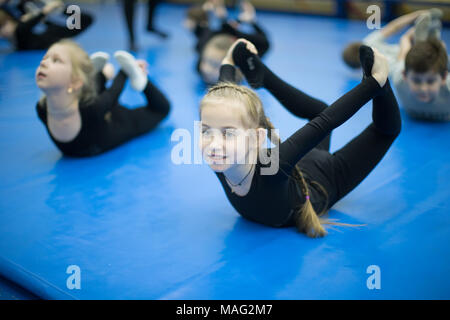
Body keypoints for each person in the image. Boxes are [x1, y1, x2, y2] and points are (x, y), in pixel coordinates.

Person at [199, 39, 401, 237]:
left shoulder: (273, 169)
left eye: (228, 134)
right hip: (298, 168)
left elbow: (325, 122)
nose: (214, 144)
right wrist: (228, 60)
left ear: (256, 138)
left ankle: (383, 88)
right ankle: (264, 77)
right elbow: (221, 104)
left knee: (385, 131)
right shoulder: (220, 159)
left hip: (326, 177)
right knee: (319, 110)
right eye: (206, 131)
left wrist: (374, 84)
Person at [35, 40, 170, 157]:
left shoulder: (91, 109)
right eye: (45, 58)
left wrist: (125, 72)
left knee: (163, 108)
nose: (43, 63)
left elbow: (113, 93)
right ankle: (96, 75)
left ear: (75, 82)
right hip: (97, 115)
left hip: (119, 122)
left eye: (56, 60)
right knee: (91, 97)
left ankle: (135, 77)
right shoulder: (41, 109)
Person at [342, 9, 449, 121]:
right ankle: (425, 40)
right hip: (410, 55)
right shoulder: (368, 42)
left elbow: (401, 61)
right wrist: (417, 15)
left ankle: (425, 41)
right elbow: (393, 27)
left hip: (407, 59)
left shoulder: (369, 71)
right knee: (409, 43)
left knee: (413, 56)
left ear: (356, 67)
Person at [185, 0, 269, 85]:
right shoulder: (209, 43)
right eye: (207, 62)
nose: (207, 70)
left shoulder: (208, 43)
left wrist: (222, 20)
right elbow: (264, 43)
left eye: (215, 65)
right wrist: (251, 22)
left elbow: (264, 44)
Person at [0, 0, 93, 51]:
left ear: (10, 21)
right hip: (55, 36)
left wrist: (58, 9)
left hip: (55, 32)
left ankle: (60, 8)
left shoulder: (22, 23)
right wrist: (46, 10)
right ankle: (60, 8)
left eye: (4, 26)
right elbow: (24, 27)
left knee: (87, 19)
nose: (4, 31)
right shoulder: (20, 32)